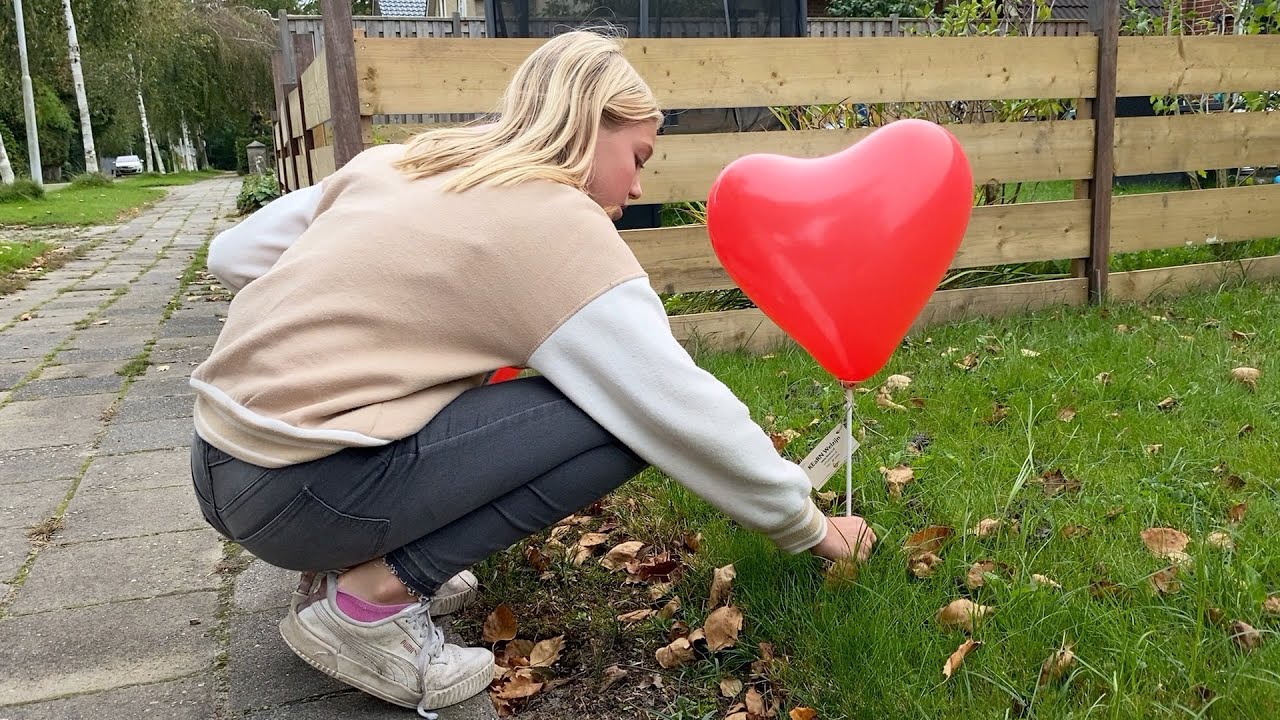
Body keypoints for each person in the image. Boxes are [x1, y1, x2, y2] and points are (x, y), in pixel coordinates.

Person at [189, 27, 876, 718]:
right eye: (637, 155)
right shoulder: (554, 223)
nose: (637, 184)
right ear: (587, 125)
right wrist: (809, 528)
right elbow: (678, 405)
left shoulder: (405, 162)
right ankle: (375, 604)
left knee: (568, 404)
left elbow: (233, 252)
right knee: (616, 421)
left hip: (218, 458)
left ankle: (348, 566)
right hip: (299, 496)